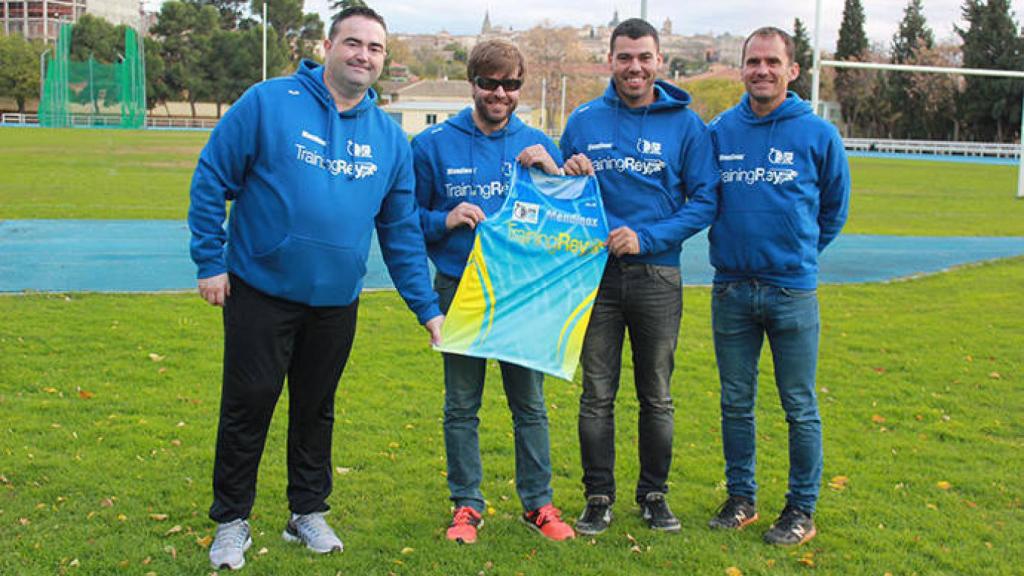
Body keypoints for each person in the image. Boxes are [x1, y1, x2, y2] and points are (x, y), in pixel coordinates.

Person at [188, 7, 443, 570]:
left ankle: (306, 512)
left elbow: (400, 232)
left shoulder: (390, 140)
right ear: (328, 45)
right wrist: (210, 260)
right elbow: (212, 178)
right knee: (248, 406)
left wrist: (428, 309)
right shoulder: (268, 102)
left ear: (383, 58)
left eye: (375, 48)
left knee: (315, 409)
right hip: (260, 291)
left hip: (335, 302)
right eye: (353, 43)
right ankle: (231, 521)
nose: (363, 55)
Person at [412, 38, 575, 544]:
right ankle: (466, 505)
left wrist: (556, 174)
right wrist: (445, 218)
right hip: (460, 292)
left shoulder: (538, 142)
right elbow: (402, 221)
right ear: (473, 84)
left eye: (511, 84)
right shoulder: (432, 145)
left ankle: (538, 504)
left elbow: (566, 220)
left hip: (521, 294)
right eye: (490, 84)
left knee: (529, 405)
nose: (500, 93)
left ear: (520, 87)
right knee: (461, 406)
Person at [560, 18, 719, 534]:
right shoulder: (583, 120)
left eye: (644, 57)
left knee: (657, 393)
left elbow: (705, 202)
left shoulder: (686, 125)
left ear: (659, 61)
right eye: (625, 57)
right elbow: (558, 193)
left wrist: (646, 237)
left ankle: (654, 495)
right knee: (596, 394)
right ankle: (597, 496)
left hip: (657, 275)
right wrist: (560, 169)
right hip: (595, 277)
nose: (635, 67)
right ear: (610, 61)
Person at [705, 27, 849, 546]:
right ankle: (741, 497)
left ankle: (800, 509)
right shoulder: (720, 131)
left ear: (792, 70)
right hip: (732, 291)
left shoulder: (817, 135)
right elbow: (702, 195)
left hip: (791, 292)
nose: (761, 70)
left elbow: (833, 210)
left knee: (799, 406)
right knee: (735, 401)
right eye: (753, 61)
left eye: (772, 61)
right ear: (742, 69)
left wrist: (799, 252)